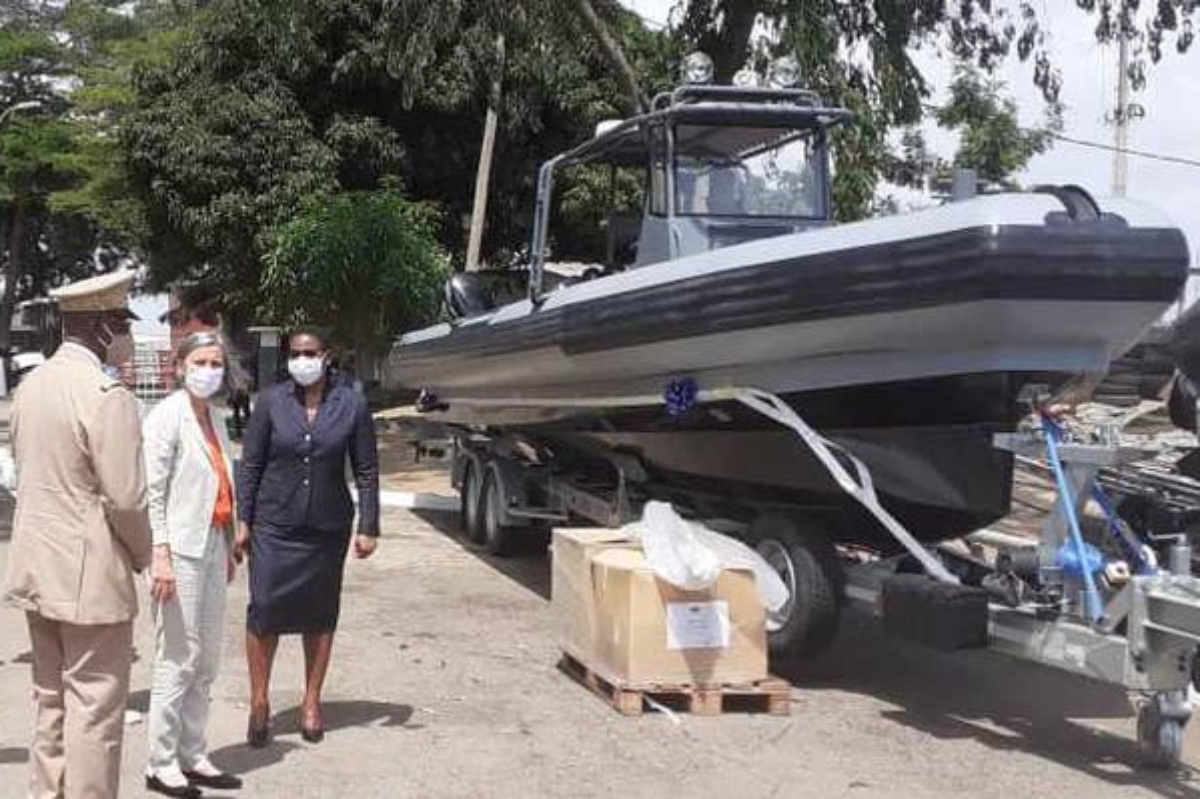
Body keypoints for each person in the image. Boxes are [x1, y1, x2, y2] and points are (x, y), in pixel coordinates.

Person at [4, 270, 153, 799]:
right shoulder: (106, 395)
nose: (127, 336)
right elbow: (126, 499)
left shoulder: (31, 386)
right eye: (123, 324)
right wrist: (144, 555)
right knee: (94, 711)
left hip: (36, 567)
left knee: (50, 701)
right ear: (102, 326)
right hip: (90, 581)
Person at [235, 328, 380, 746]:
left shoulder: (351, 404)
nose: (302, 360)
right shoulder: (271, 401)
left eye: (310, 352)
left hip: (326, 528)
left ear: (326, 355)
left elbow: (367, 469)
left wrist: (369, 526)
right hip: (274, 524)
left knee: (319, 615)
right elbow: (251, 464)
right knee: (264, 609)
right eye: (295, 353)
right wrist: (243, 520)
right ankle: (259, 700)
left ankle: (311, 701)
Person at [143, 332, 244, 797]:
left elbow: (223, 483)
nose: (209, 371)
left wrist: (230, 538)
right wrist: (160, 554)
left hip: (213, 543)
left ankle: (193, 753)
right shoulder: (167, 416)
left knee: (206, 661)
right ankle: (161, 761)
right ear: (180, 367)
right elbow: (153, 491)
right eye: (200, 362)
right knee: (177, 657)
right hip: (179, 551)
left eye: (216, 363)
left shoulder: (216, 418)